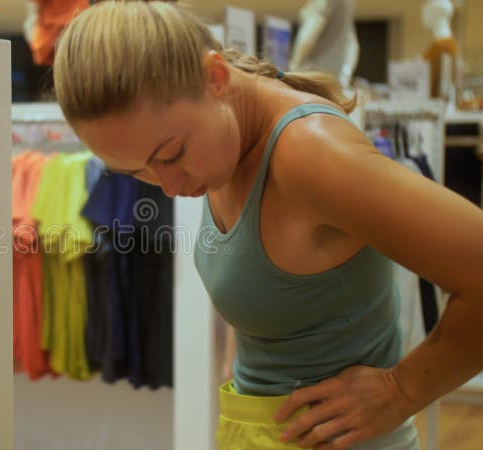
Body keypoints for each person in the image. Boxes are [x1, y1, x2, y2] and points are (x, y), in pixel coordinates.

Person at [52, 1, 483, 449]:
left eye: (171, 155)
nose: (168, 186)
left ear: (216, 77)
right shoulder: (224, 148)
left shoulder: (309, 154)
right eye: (137, 171)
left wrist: (402, 390)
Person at [289, 0, 359, 88]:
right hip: (334, 79)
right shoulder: (349, 3)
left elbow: (309, 35)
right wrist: (345, 75)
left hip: (312, 76)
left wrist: (294, 65)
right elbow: (353, 44)